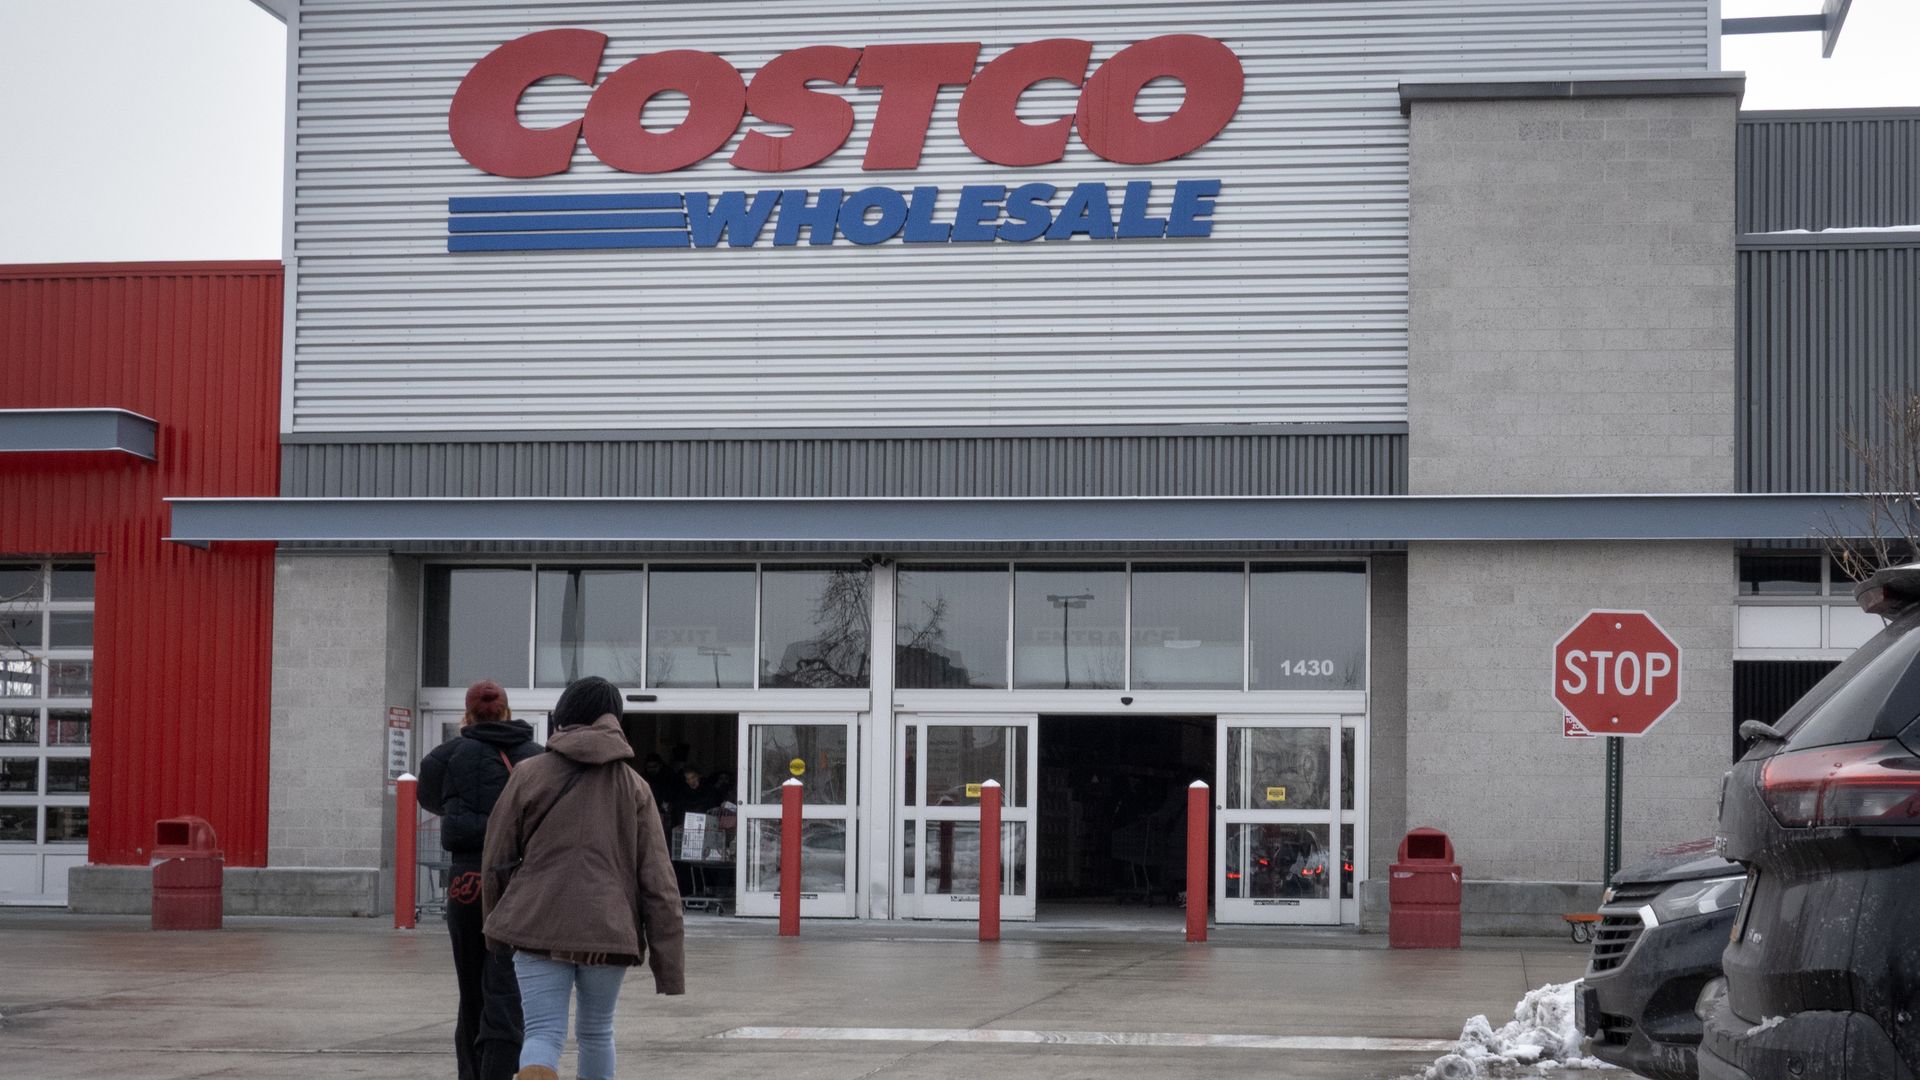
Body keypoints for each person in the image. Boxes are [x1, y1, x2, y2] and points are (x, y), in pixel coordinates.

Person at [481, 676, 685, 1080]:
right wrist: (669, 964)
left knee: (541, 1031)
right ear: (614, 719)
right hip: (608, 931)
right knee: (596, 1031)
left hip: (536, 923)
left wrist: (497, 928)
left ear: (566, 712)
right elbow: (659, 883)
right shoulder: (635, 788)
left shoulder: (528, 774)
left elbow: (496, 859)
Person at [417, 679, 542, 1080]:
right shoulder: (536, 758)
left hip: (466, 882)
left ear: (467, 715)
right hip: (518, 884)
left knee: (470, 992)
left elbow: (430, 800)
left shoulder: (445, 757)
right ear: (507, 711)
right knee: (506, 990)